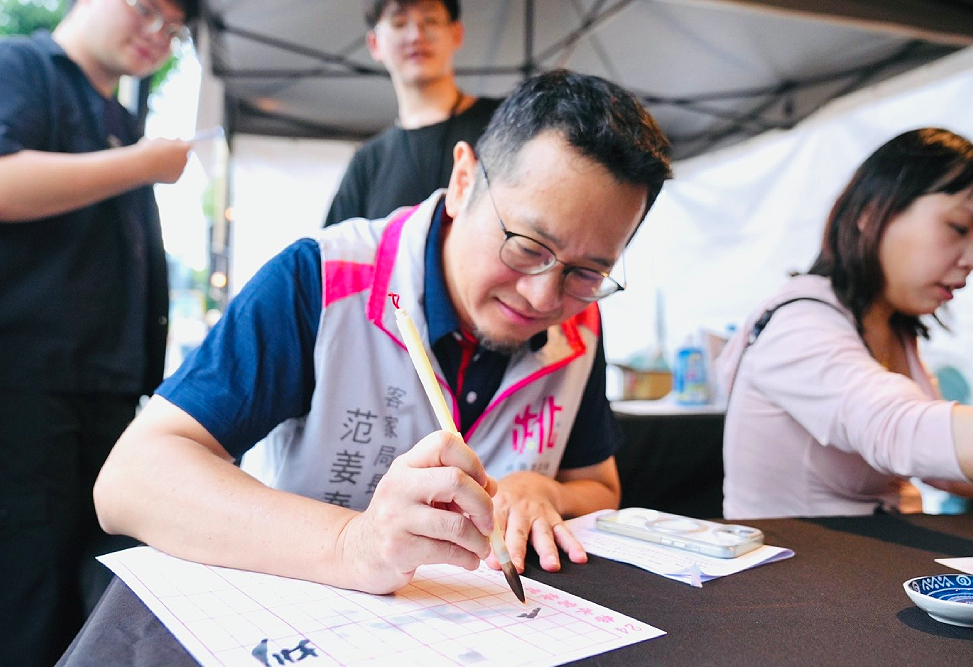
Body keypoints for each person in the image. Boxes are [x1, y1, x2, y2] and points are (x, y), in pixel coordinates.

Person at [94, 69, 672, 597]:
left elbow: (599, 486)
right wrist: (353, 544)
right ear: (464, 179)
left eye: (588, 272)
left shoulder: (578, 322)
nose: (543, 297)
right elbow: (131, 480)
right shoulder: (323, 280)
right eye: (527, 246)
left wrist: (543, 490)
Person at [0, 0, 198, 663]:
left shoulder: (120, 116)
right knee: (28, 594)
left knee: (92, 590)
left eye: (173, 29)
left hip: (106, 397)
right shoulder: (22, 65)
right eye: (147, 10)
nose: (158, 35)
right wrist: (140, 163)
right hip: (25, 390)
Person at [717, 128, 973, 520]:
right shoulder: (798, 323)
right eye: (958, 228)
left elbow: (940, 466)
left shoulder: (894, 328)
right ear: (871, 212)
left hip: (877, 546)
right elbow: (899, 429)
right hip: (796, 556)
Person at [323, 0, 502, 226]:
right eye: (399, 23)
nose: (416, 35)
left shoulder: (505, 123)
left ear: (456, 33)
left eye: (431, 20)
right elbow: (333, 244)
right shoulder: (367, 162)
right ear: (374, 43)